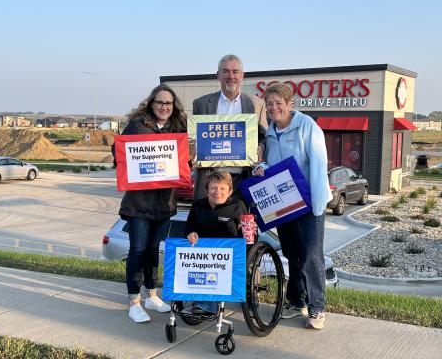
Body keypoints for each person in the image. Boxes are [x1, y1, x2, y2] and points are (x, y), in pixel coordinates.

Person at [253, 83, 332, 330]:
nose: (274, 107)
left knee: (311, 256)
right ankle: (297, 301)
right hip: (285, 205)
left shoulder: (307, 126)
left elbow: (319, 165)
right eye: (269, 104)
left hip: (310, 204)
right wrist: (261, 168)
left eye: (279, 103)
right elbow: (275, 168)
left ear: (290, 104)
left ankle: (317, 309)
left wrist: (318, 206)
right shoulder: (271, 133)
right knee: (292, 254)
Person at [118, 84, 187, 323]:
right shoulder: (137, 127)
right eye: (159, 102)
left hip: (164, 203)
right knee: (137, 250)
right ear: (151, 103)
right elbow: (120, 158)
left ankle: (151, 295)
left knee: (153, 249)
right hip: (139, 202)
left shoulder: (178, 128)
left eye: (168, 103)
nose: (164, 107)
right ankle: (134, 302)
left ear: (173, 106)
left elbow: (184, 160)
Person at [192, 54, 268, 200]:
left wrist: (260, 147)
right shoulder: (201, 104)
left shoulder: (256, 104)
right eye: (225, 71)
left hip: (242, 179)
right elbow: (194, 140)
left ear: (242, 75)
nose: (230, 76)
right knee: (207, 223)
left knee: (240, 222)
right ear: (218, 75)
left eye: (235, 72)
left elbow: (264, 137)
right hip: (210, 180)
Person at [185, 171, 248, 315]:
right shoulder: (198, 206)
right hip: (202, 255)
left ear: (230, 191)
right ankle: (201, 303)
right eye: (213, 188)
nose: (217, 192)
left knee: (214, 269)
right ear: (206, 190)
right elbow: (189, 227)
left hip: (229, 256)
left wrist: (244, 231)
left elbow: (250, 238)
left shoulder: (238, 206)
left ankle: (206, 306)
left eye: (222, 188)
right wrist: (191, 233)